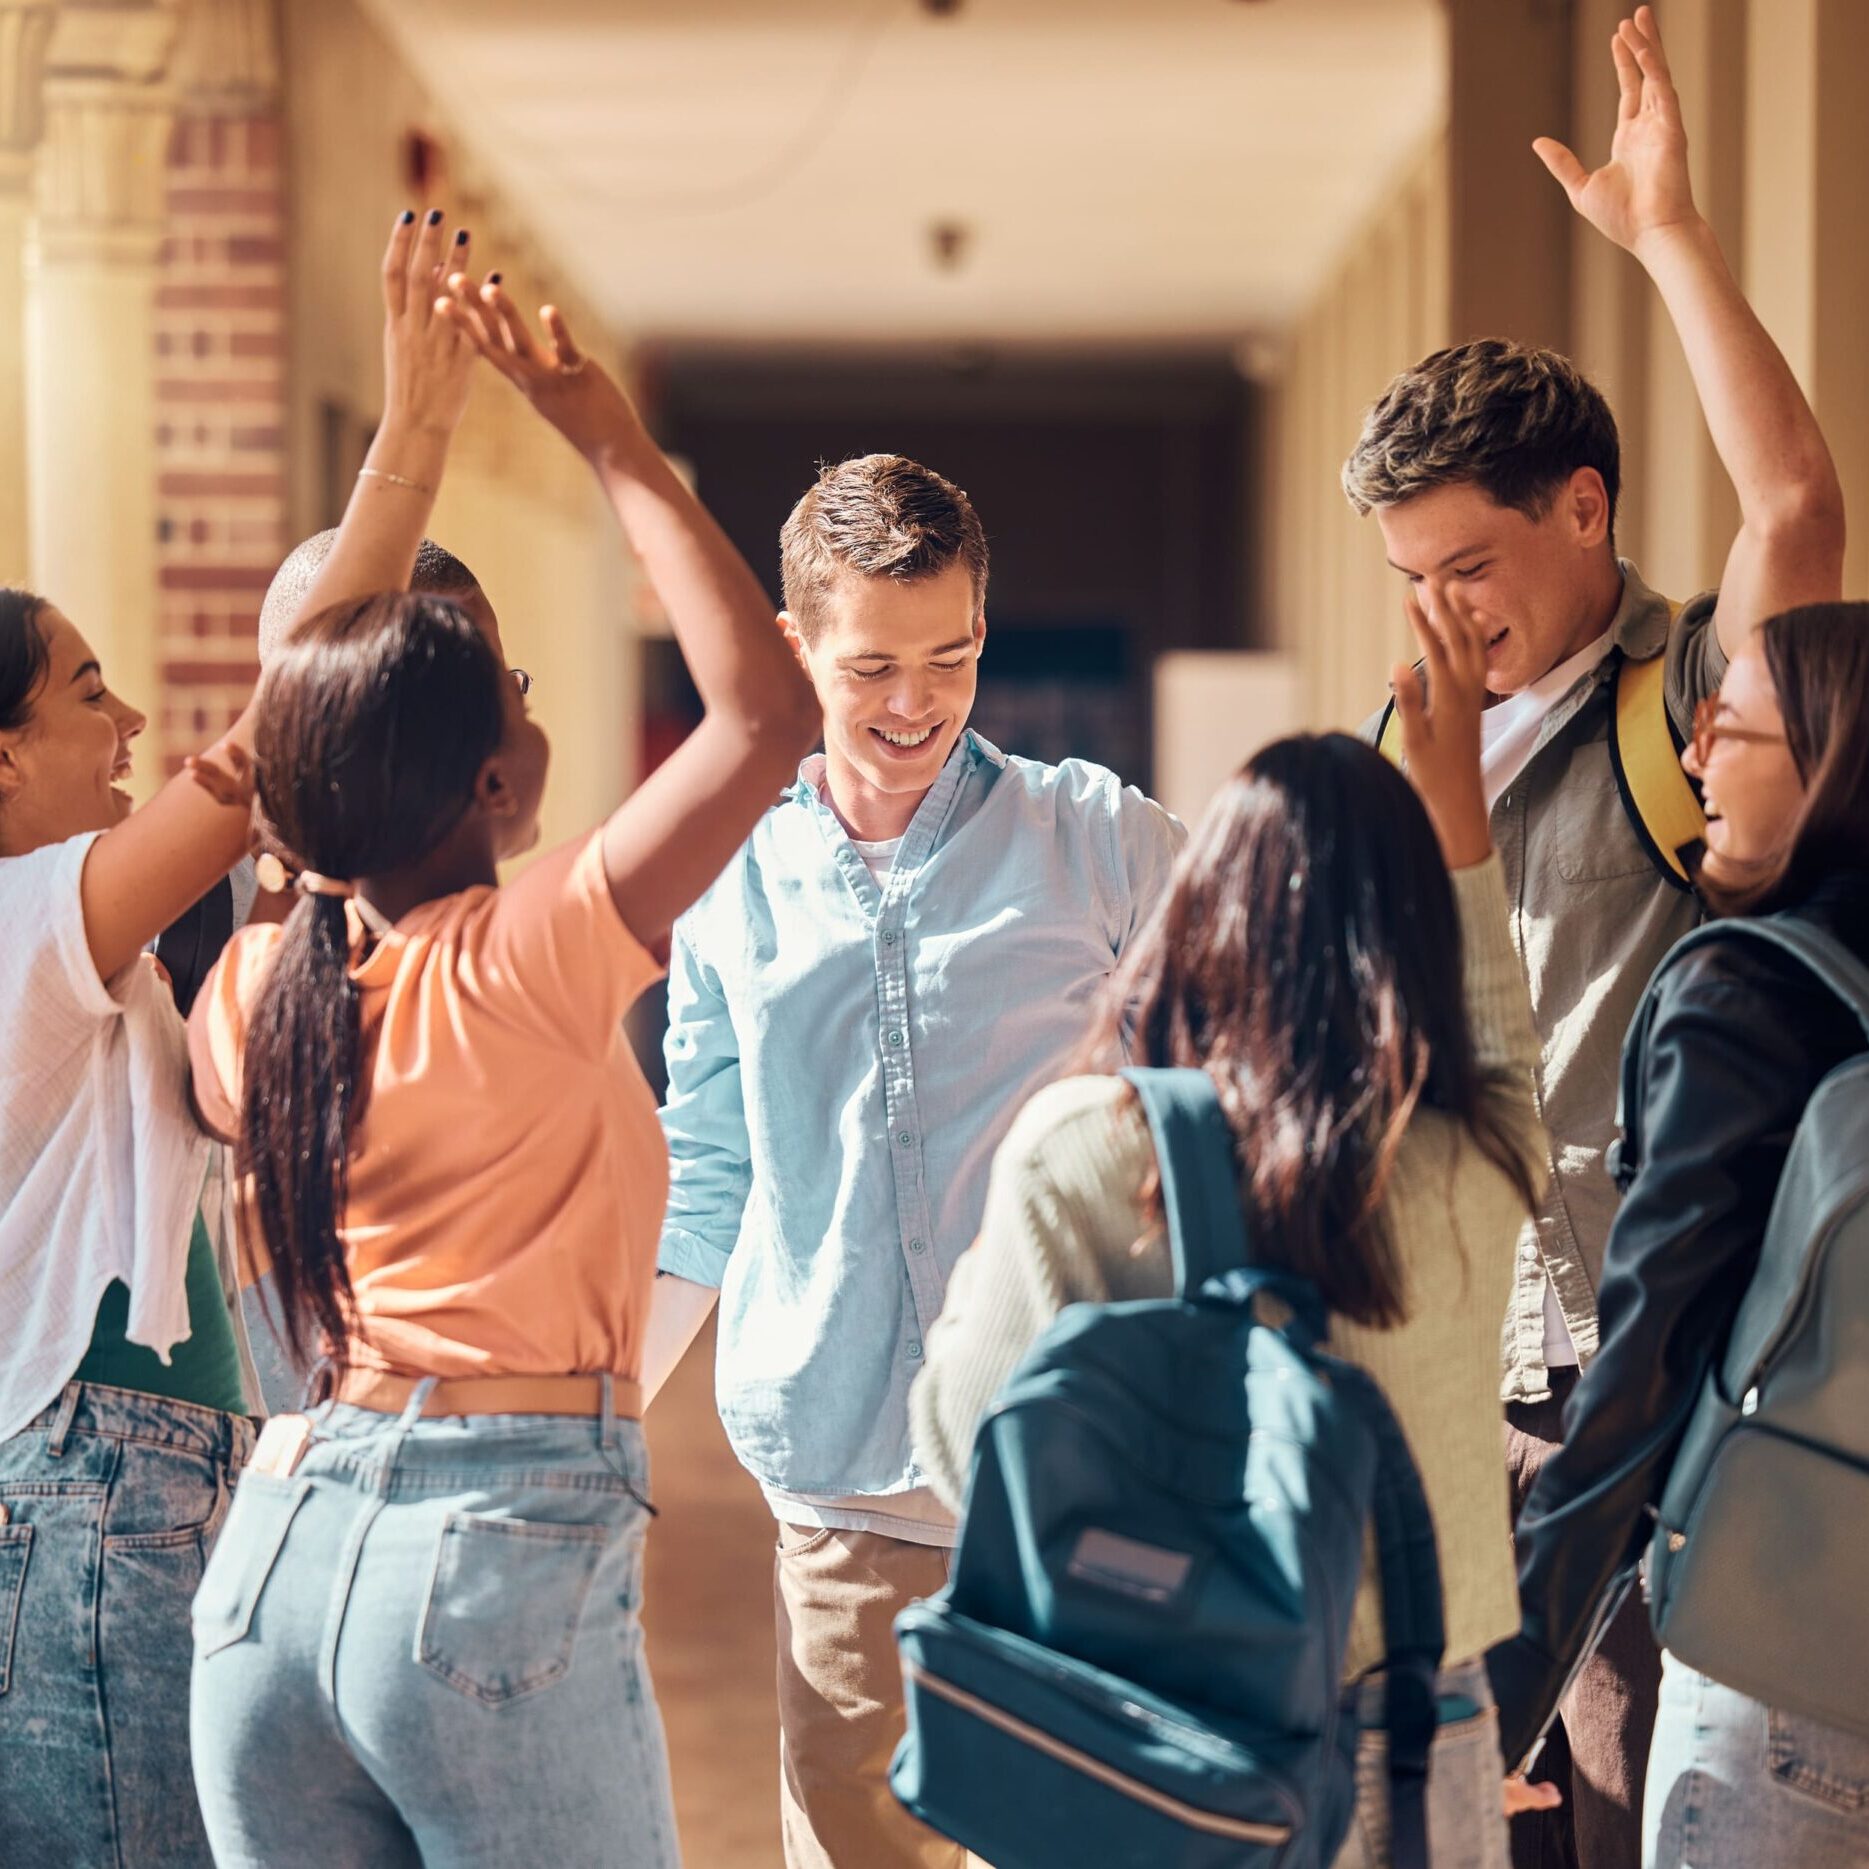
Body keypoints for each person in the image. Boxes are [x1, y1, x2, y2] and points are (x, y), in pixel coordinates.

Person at [183, 211, 816, 1866]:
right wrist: (605, 434)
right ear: (488, 778)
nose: (536, 714)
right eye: (518, 697)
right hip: (483, 1560)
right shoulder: (521, 960)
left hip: (273, 1566)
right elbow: (766, 717)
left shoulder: (251, 997)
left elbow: (307, 739)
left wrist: (414, 435)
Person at [1340, 12, 1845, 1857]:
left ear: (1582, 509)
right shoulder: (1402, 732)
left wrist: (1667, 241)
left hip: (1618, 1386)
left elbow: (1792, 504)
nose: (1440, 615)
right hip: (1442, 1374)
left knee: (1618, 1797)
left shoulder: (1686, 705)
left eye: (1468, 567)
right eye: (1409, 577)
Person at [913, 597, 1546, 1869]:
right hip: (1422, 1737)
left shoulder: (1092, 1151)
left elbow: (965, 1446)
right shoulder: (1477, 1158)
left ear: (1202, 910)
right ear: (1414, 934)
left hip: (1160, 1738)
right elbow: (1496, 1033)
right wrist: (1458, 812)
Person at [644, 452, 1185, 1868]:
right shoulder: (727, 880)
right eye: (874, 665)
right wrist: (597, 1417)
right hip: (843, 1494)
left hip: (1071, 1489)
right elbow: (704, 1174)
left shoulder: (1101, 839)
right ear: (796, 645)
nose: (915, 702)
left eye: (950, 658)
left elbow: (1250, 1080)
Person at [1489, 602, 1869, 1868]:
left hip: (1786, 1667)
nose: (1696, 754)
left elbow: (1640, 1377)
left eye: (1728, 726)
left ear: (1827, 759)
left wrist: (1501, 1703)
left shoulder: (1744, 992)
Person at [0, 440, 266, 1865]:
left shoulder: (73, 947)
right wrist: (408, 448)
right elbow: (252, 763)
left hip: (130, 1494)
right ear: (4, 754)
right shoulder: (25, 924)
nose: (132, 722)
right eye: (89, 693)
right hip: (95, 1499)